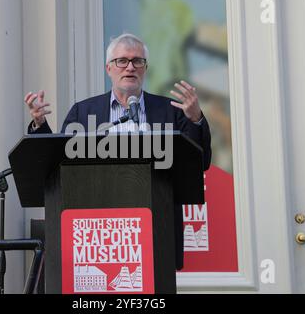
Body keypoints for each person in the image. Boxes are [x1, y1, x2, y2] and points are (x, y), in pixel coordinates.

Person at [24, 33, 211, 270]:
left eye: (137, 61)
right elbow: (60, 166)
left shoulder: (170, 111)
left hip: (157, 231)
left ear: (145, 68)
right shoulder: (83, 113)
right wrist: (40, 126)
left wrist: (195, 119)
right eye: (122, 61)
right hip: (100, 237)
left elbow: (199, 161)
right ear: (108, 68)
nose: (130, 67)